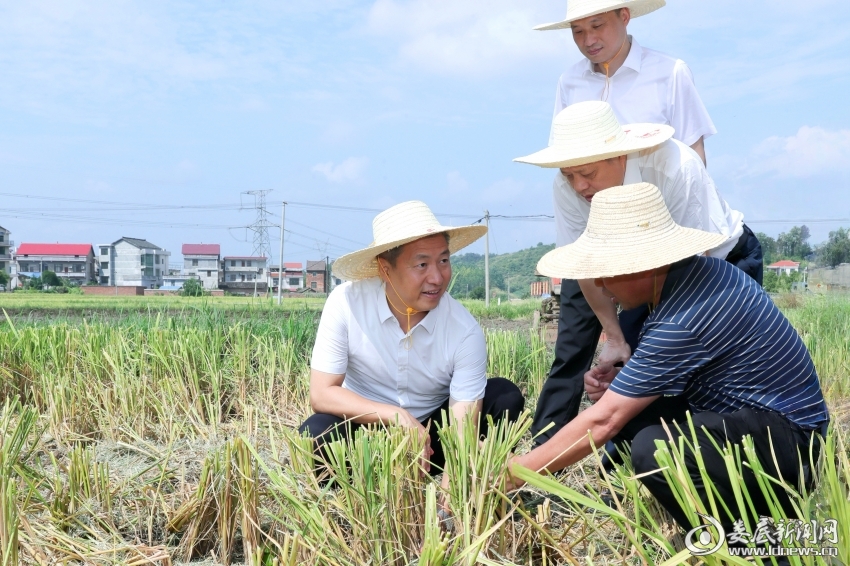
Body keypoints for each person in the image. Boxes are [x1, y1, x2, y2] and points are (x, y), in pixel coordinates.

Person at [507, 182, 829, 544]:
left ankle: (748, 543)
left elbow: (603, 422)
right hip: (756, 423)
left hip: (790, 446)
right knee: (637, 415)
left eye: (606, 271)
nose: (598, 282)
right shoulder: (696, 277)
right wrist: (622, 386)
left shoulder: (681, 317)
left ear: (643, 266)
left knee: (654, 449)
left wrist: (511, 474)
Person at [514, 100, 763, 445]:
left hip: (717, 263)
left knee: (714, 375)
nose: (579, 186)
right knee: (631, 364)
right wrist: (615, 339)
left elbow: (697, 260)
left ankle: (730, 456)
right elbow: (585, 264)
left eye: (588, 174)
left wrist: (658, 344)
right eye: (570, 175)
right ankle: (638, 454)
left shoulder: (673, 166)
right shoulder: (568, 186)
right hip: (638, 273)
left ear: (619, 157)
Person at [298, 200, 525, 488]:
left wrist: (454, 478)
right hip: (366, 434)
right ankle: (362, 491)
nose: (437, 277)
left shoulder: (464, 330)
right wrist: (397, 417)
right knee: (315, 433)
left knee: (505, 396)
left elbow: (461, 425)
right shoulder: (346, 303)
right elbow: (322, 394)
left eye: (444, 260)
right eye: (422, 264)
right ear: (385, 269)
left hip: (434, 442)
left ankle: (474, 482)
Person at [536, 0, 714, 164]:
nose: (588, 40)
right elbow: (562, 156)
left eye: (597, 26)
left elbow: (693, 153)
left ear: (624, 17)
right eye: (578, 31)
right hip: (594, 199)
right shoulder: (569, 82)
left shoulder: (670, 72)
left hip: (662, 197)